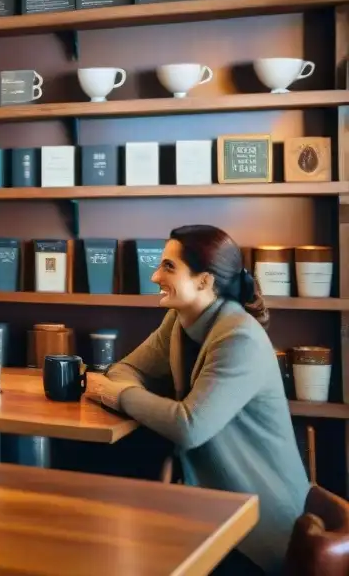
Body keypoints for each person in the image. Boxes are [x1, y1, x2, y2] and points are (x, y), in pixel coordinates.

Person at [86, 225, 309, 575]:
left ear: (204, 281)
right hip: (213, 511)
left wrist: (119, 396)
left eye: (169, 267)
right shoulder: (178, 321)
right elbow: (125, 368)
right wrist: (123, 388)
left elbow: (190, 426)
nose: (156, 275)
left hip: (259, 531)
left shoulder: (239, 338)